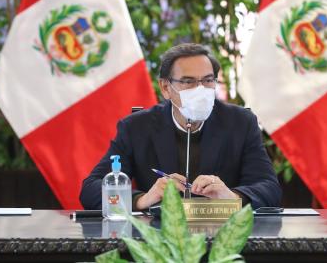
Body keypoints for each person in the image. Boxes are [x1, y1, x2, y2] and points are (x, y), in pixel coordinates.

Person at [80, 43, 281, 210]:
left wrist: (231, 197)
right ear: (166, 88)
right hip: (158, 239)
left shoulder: (240, 123)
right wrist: (143, 199)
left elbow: (270, 188)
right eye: (188, 82)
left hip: (223, 237)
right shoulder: (136, 127)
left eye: (208, 80)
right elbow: (91, 190)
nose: (200, 89)